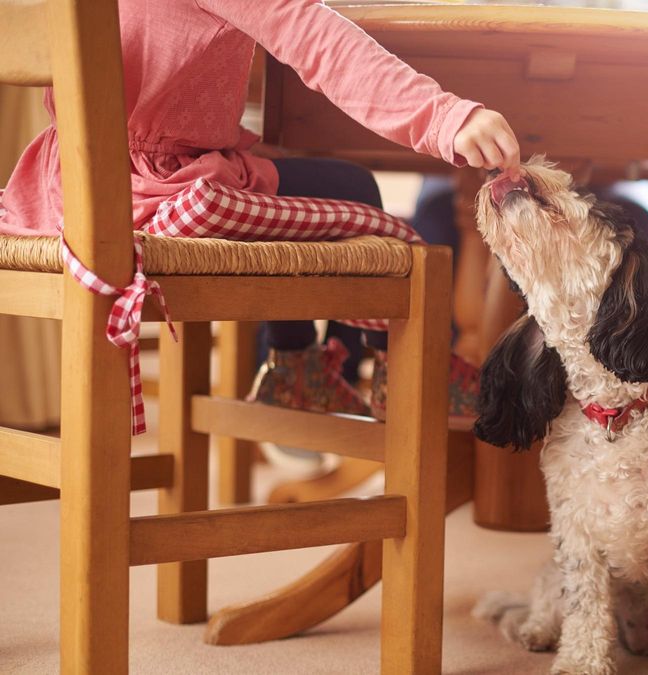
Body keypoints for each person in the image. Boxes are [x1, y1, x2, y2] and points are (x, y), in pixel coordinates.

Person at [0, 0, 522, 422]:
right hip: (154, 192)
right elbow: (322, 43)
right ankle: (382, 375)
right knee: (356, 188)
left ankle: (295, 362)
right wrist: (445, 116)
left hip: (60, 185)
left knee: (276, 171)